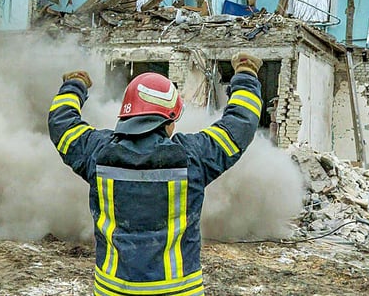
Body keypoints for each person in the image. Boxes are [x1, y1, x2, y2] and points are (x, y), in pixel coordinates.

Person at [49, 53, 263, 296]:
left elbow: (62, 124)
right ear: (168, 118)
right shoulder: (193, 157)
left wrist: (75, 84)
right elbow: (239, 126)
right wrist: (246, 73)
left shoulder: (96, 152)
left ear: (127, 115)